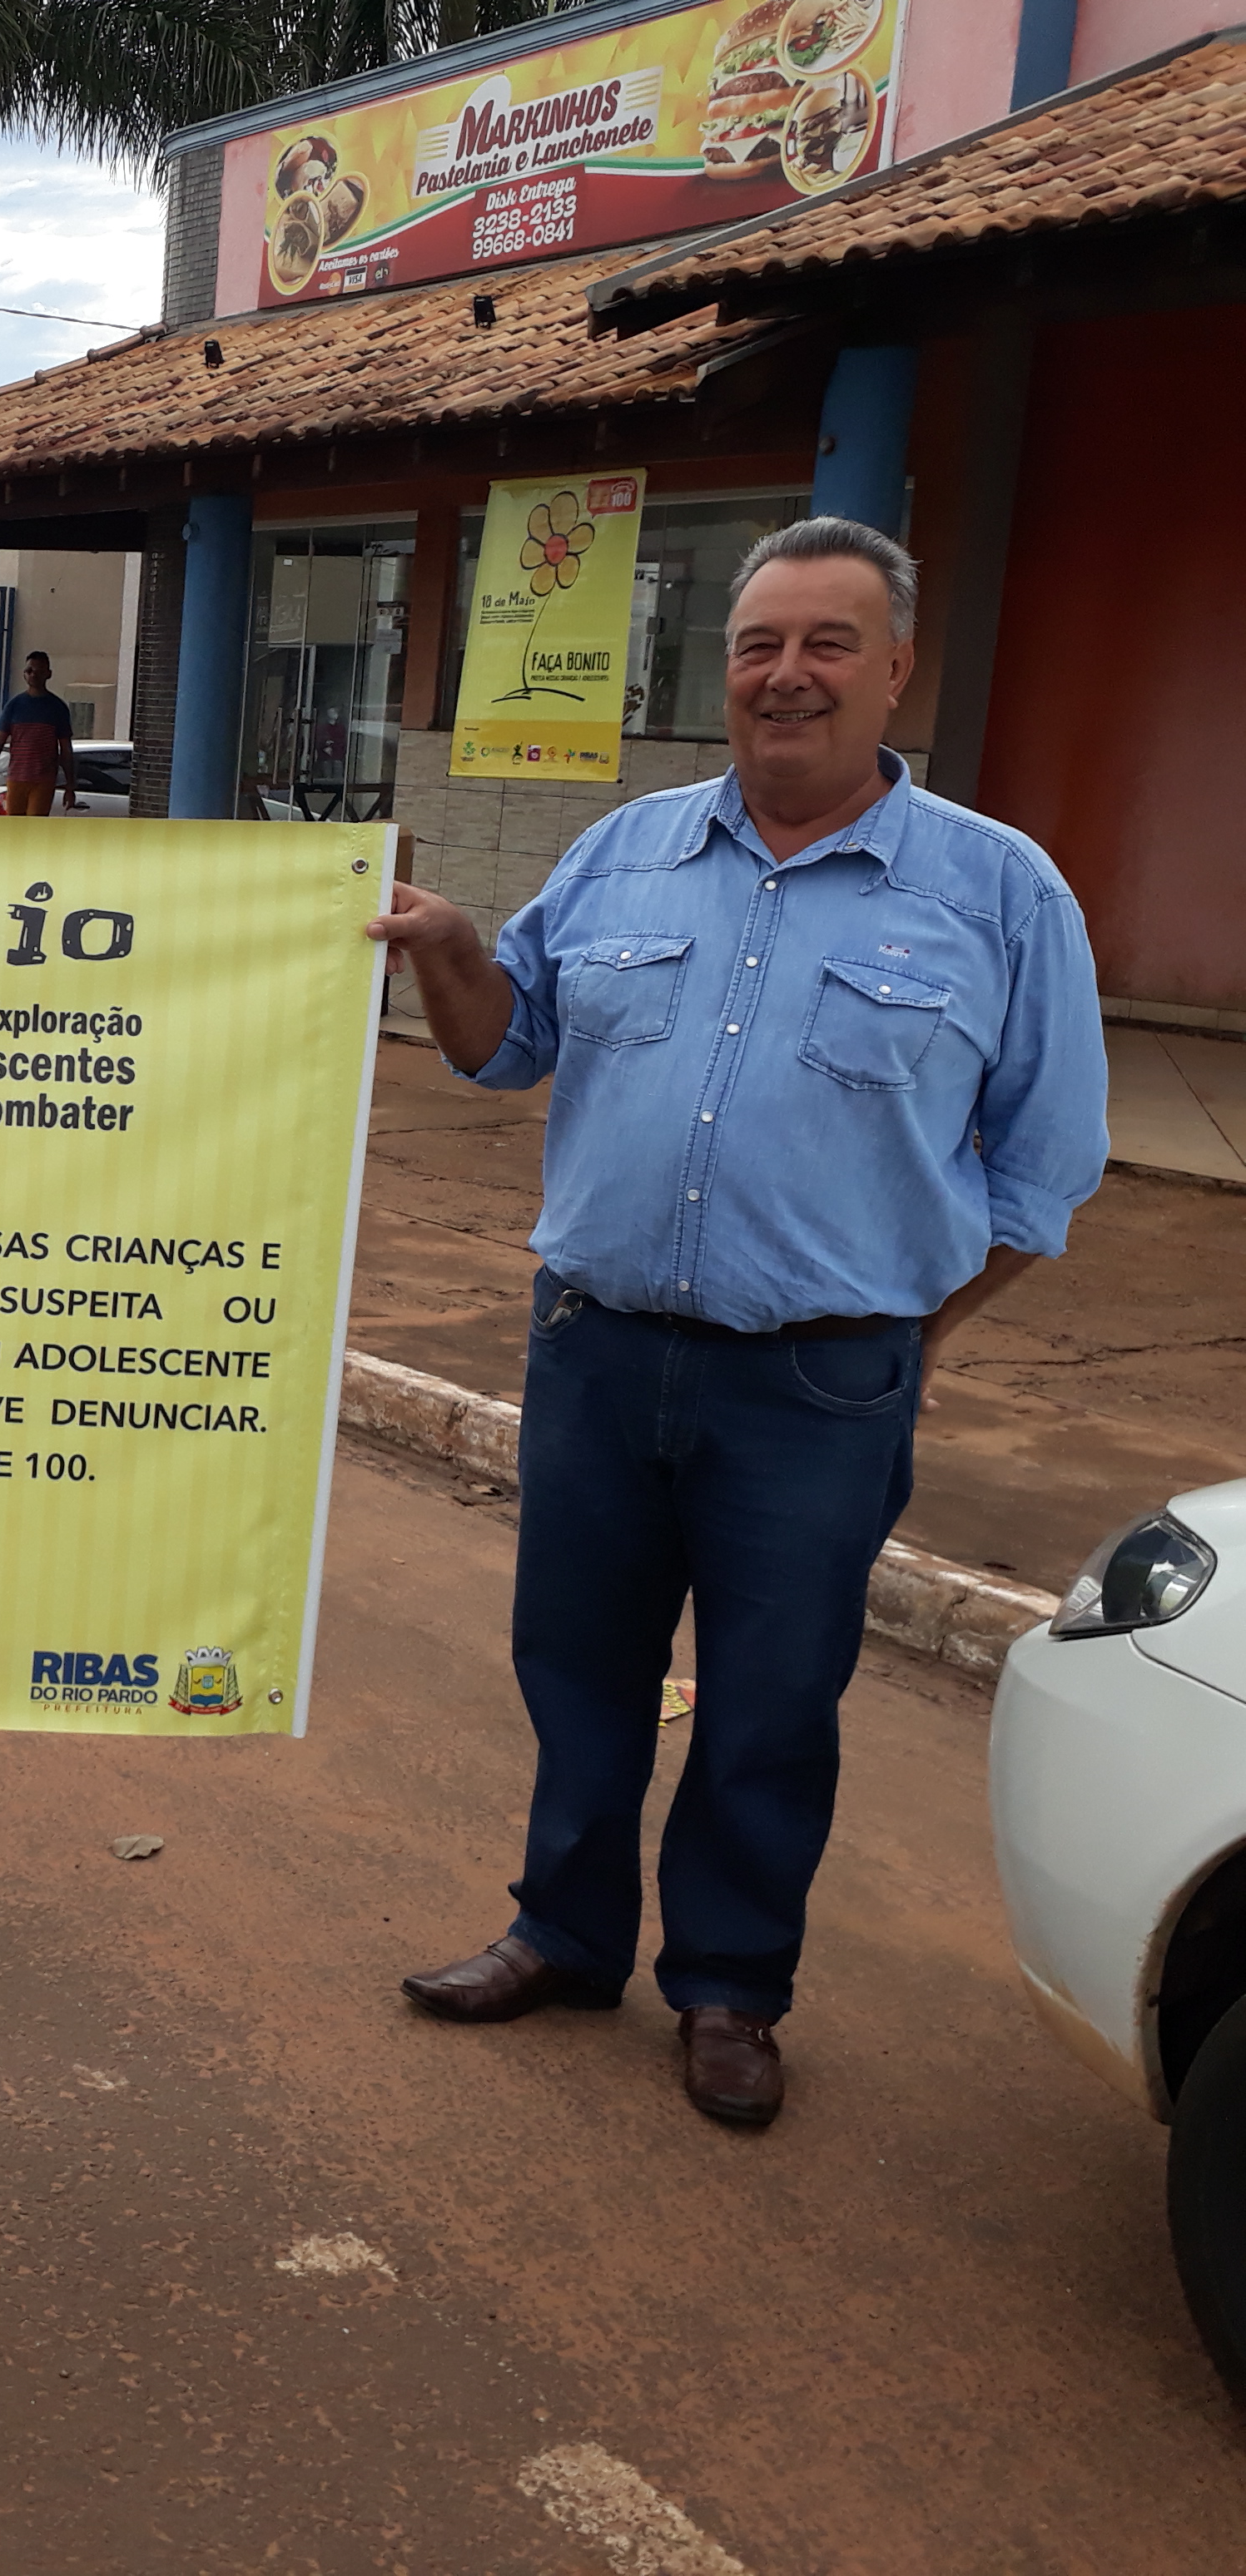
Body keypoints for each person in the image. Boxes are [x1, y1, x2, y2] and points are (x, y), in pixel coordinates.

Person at [367, 516, 1106, 2128]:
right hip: (597, 1352)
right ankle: (563, 1932)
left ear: (899, 666)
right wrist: (447, 952)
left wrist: (904, 1338)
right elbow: (507, 1047)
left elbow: (1042, 1178)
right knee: (577, 1667)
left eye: (829, 643)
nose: (786, 675)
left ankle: (728, 1987)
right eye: (760, 644)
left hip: (821, 1388)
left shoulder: (1001, 894)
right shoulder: (624, 854)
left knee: (772, 1698)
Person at [0, 652, 77, 815]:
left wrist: (70, 785)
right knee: (15, 829)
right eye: (29, 671)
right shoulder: (14, 706)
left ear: (48, 674)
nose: (33, 675)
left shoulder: (57, 708)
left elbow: (66, 749)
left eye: (39, 671)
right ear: (24, 674)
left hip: (43, 780)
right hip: (16, 778)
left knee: (35, 830)